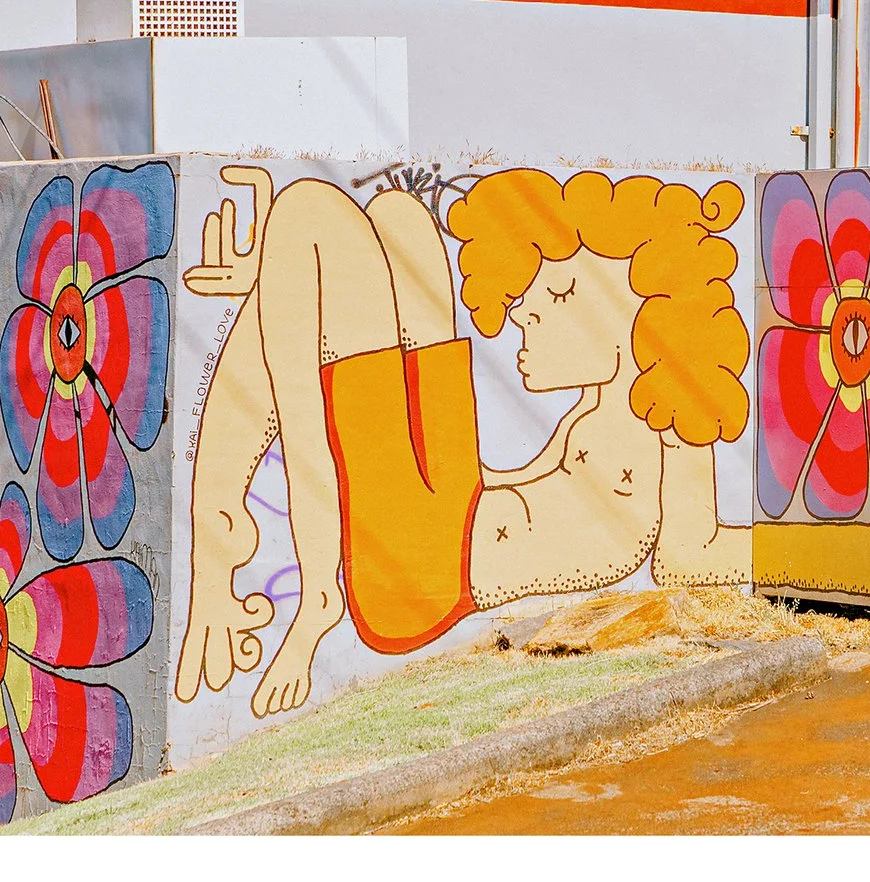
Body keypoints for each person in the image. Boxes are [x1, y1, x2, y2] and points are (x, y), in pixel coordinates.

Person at [174, 166, 751, 718]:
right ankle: (228, 505)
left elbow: (688, 555)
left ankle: (314, 586)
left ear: (623, 309)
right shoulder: (591, 410)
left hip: (424, 568)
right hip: (455, 498)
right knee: (401, 219)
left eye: (550, 301)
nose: (519, 322)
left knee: (307, 212)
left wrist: (800, 548)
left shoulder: (674, 411)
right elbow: (515, 486)